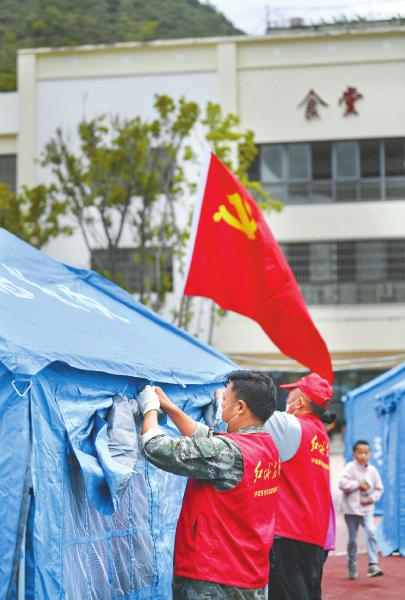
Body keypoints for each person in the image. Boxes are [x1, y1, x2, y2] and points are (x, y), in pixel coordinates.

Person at [138, 370, 280, 599]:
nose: (221, 403)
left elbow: (156, 447)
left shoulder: (230, 452)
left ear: (240, 407)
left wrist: (149, 409)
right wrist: (170, 407)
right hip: (248, 572)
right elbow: (208, 440)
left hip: (215, 578)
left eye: (225, 399)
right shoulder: (266, 445)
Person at [265, 372, 333, 600]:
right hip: (312, 533)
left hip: (288, 531)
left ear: (299, 402)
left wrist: (221, 398)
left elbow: (251, 414)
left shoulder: (293, 426)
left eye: (289, 396)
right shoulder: (320, 433)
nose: (286, 400)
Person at [339, 440, 384, 579]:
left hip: (367, 509)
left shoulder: (372, 470)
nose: (363, 455)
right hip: (351, 510)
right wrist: (358, 484)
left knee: (371, 532)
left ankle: (373, 564)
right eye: (360, 452)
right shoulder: (350, 467)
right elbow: (342, 484)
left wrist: (371, 499)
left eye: (366, 452)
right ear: (354, 454)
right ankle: (352, 563)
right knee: (353, 540)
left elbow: (379, 488)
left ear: (370, 454)